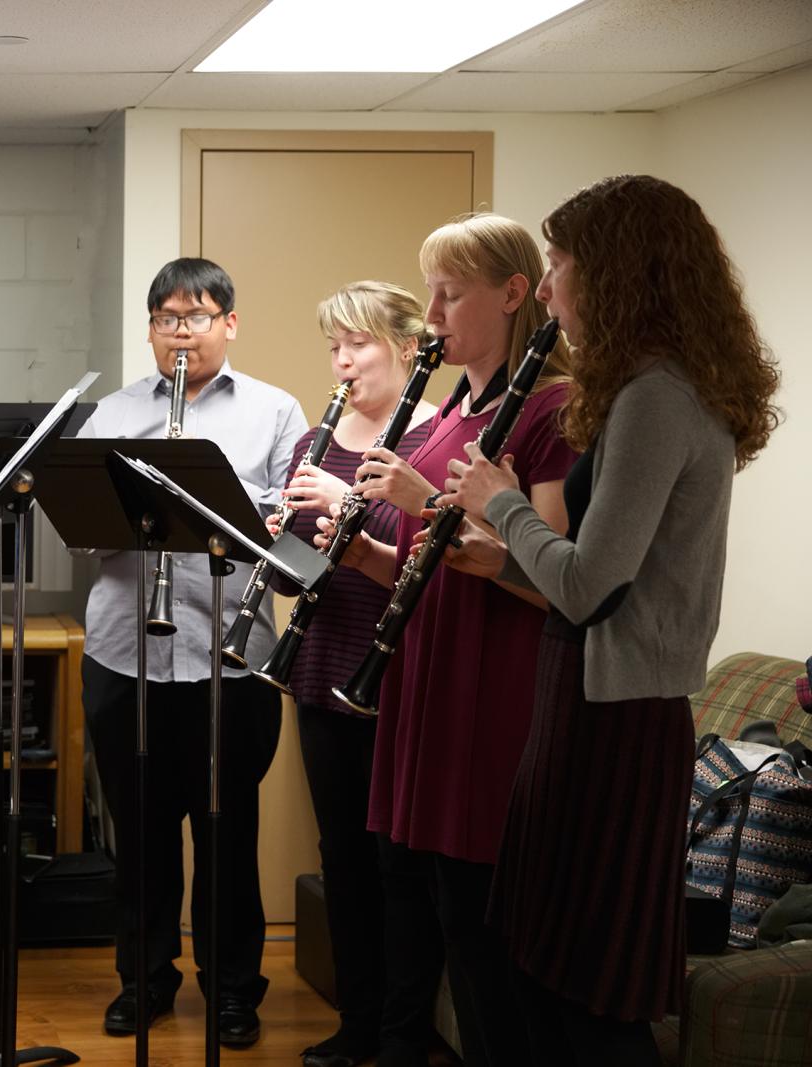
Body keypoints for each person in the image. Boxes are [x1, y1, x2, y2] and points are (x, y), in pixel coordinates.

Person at [436, 176, 780, 1065]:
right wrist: (501, 558)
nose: (546, 289)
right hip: (584, 700)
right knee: (543, 977)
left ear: (618, 271)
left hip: (615, 722)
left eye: (558, 264)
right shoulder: (647, 386)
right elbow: (604, 580)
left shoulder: (658, 396)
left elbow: (592, 586)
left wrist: (502, 502)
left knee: (586, 1000)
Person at [316, 214, 576, 1067]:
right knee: (416, 899)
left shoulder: (550, 407)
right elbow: (430, 568)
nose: (430, 312)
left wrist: (424, 492)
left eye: (449, 293)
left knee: (475, 931)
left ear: (512, 294)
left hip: (487, 693)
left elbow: (541, 575)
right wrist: (358, 549)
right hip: (420, 684)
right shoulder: (455, 408)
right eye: (428, 290)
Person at [80, 257, 308, 1048]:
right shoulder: (110, 413)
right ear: (150, 329)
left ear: (230, 324)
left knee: (226, 833)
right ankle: (142, 980)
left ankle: (234, 988)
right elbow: (82, 527)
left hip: (228, 656)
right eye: (167, 318)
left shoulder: (277, 411)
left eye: (198, 315)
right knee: (137, 837)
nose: (182, 331)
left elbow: (294, 527)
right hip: (124, 652)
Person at [267, 282, 440, 1067]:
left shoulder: (437, 441)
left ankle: (406, 1035)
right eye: (333, 346)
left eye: (358, 344)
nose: (341, 361)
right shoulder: (314, 440)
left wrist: (349, 503)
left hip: (402, 676)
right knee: (341, 855)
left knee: (400, 864)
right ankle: (359, 1021)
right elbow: (295, 578)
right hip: (322, 667)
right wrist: (278, 545)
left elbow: (429, 567)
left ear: (408, 346)